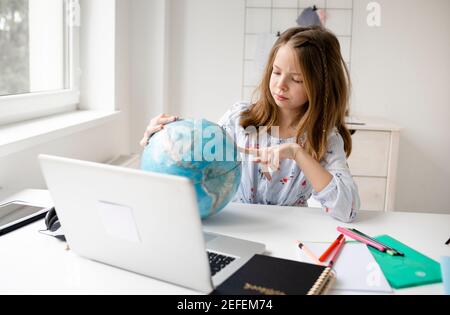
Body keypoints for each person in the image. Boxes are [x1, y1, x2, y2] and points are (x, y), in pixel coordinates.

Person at [140, 26, 360, 223]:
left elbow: (347, 210)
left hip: (290, 234)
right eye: (276, 72)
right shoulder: (240, 120)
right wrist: (161, 140)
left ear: (321, 86)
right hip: (236, 225)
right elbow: (196, 156)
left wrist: (297, 153)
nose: (281, 85)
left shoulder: (324, 138)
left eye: (297, 79)